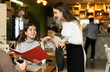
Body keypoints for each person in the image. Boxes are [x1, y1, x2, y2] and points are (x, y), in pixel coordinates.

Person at [53, 1, 84, 72]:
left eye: (55, 12)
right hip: (69, 52)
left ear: (61, 11)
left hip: (77, 54)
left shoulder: (74, 22)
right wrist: (61, 42)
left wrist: (67, 41)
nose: (54, 15)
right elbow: (68, 37)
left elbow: (80, 41)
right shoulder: (63, 22)